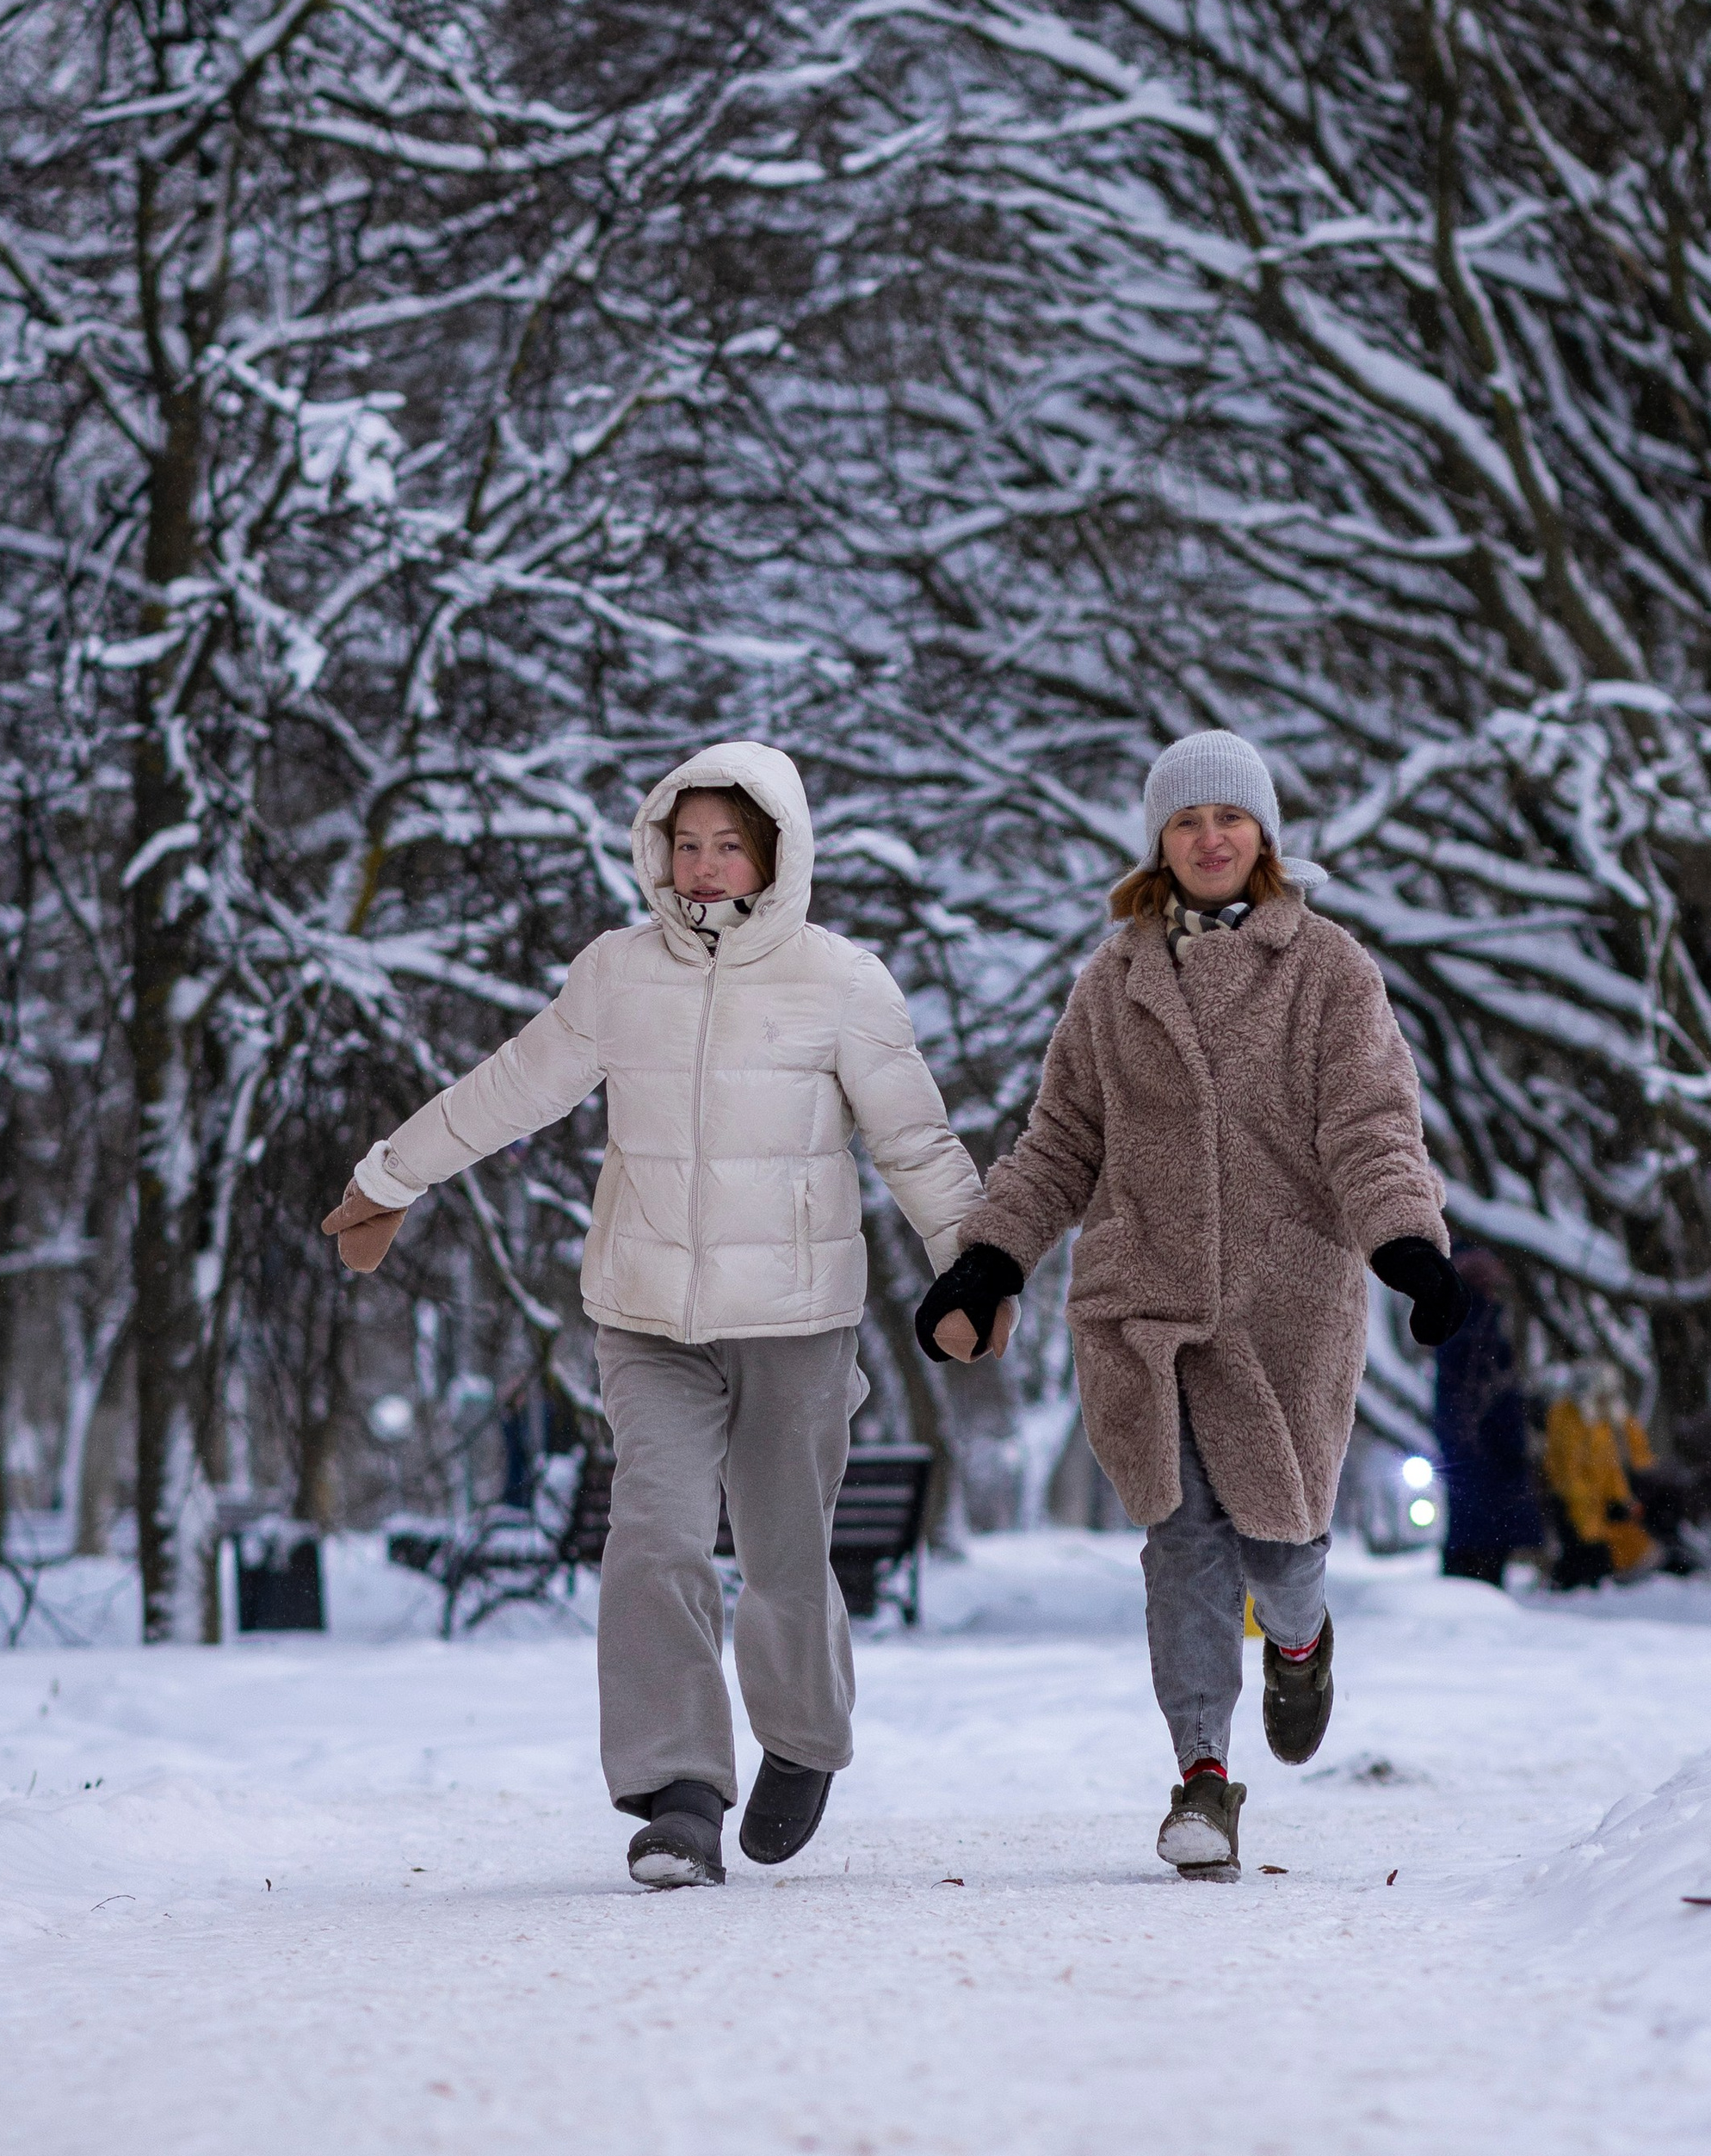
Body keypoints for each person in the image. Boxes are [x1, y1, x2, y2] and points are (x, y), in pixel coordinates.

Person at [322, 744, 979, 1889]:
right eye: (687, 844)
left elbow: (914, 1139)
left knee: (783, 1555)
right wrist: (391, 1177)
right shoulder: (617, 975)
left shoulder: (843, 981)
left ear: (775, 853)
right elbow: (512, 1084)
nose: (706, 866)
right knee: (657, 1536)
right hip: (649, 1316)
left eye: (730, 844)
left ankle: (804, 1738)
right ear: (657, 852)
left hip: (797, 1323)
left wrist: (974, 1270)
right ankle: (677, 1791)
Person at [913, 731, 1467, 1880]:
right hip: (1145, 1303)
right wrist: (989, 1262)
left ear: (1263, 835)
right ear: (1159, 846)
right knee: (1182, 1544)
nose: (1210, 837)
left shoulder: (1327, 969)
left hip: (1285, 1309)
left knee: (1281, 1546)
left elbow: (1370, 1120)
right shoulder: (1114, 984)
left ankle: (1303, 1641)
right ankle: (1203, 1776)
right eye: (1186, 821)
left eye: (1230, 817)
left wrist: (1406, 1241)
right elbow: (1059, 1143)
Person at [1431, 1247, 1545, 1585]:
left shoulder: (1453, 1323)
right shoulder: (1480, 1325)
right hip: (1488, 1453)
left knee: (1470, 1538)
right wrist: (1512, 1441)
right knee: (1484, 1547)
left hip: (1469, 1455)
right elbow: (1488, 1395)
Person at [1542, 1364, 1658, 1588]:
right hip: (1576, 1510)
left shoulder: (1604, 1421)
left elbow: (1615, 1466)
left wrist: (1624, 1499)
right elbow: (1571, 1477)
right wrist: (1589, 1524)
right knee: (1584, 1566)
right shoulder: (1567, 1420)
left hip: (1601, 1508)